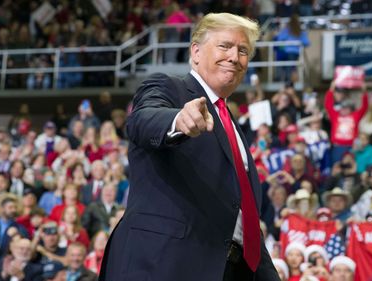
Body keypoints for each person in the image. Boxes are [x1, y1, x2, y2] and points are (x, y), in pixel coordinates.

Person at [100, 13, 279, 281]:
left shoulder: (234, 128)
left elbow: (244, 219)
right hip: (163, 264)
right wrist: (176, 120)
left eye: (243, 50)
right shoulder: (168, 87)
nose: (234, 56)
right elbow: (142, 119)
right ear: (195, 52)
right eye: (225, 46)